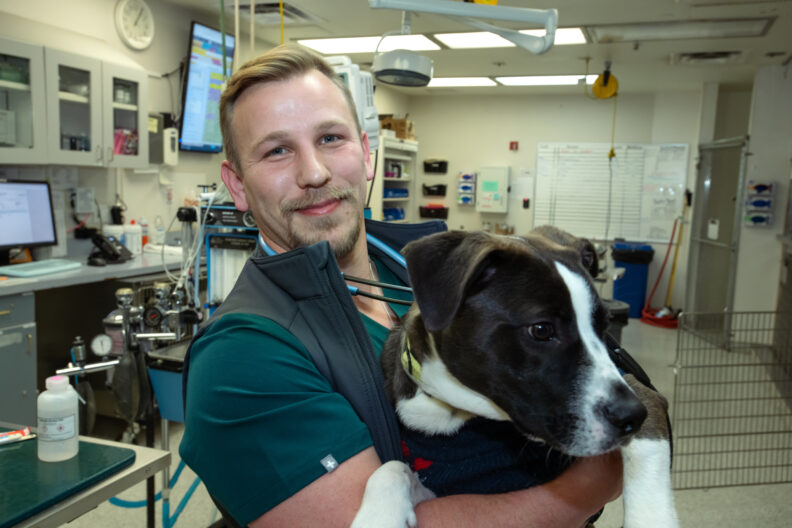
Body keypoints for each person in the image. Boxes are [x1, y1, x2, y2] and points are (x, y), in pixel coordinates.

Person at [179, 43, 622, 528]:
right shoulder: (243, 355)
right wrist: (586, 486)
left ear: (366, 155)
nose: (314, 172)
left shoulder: (432, 269)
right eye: (277, 150)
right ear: (238, 185)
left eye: (330, 138)